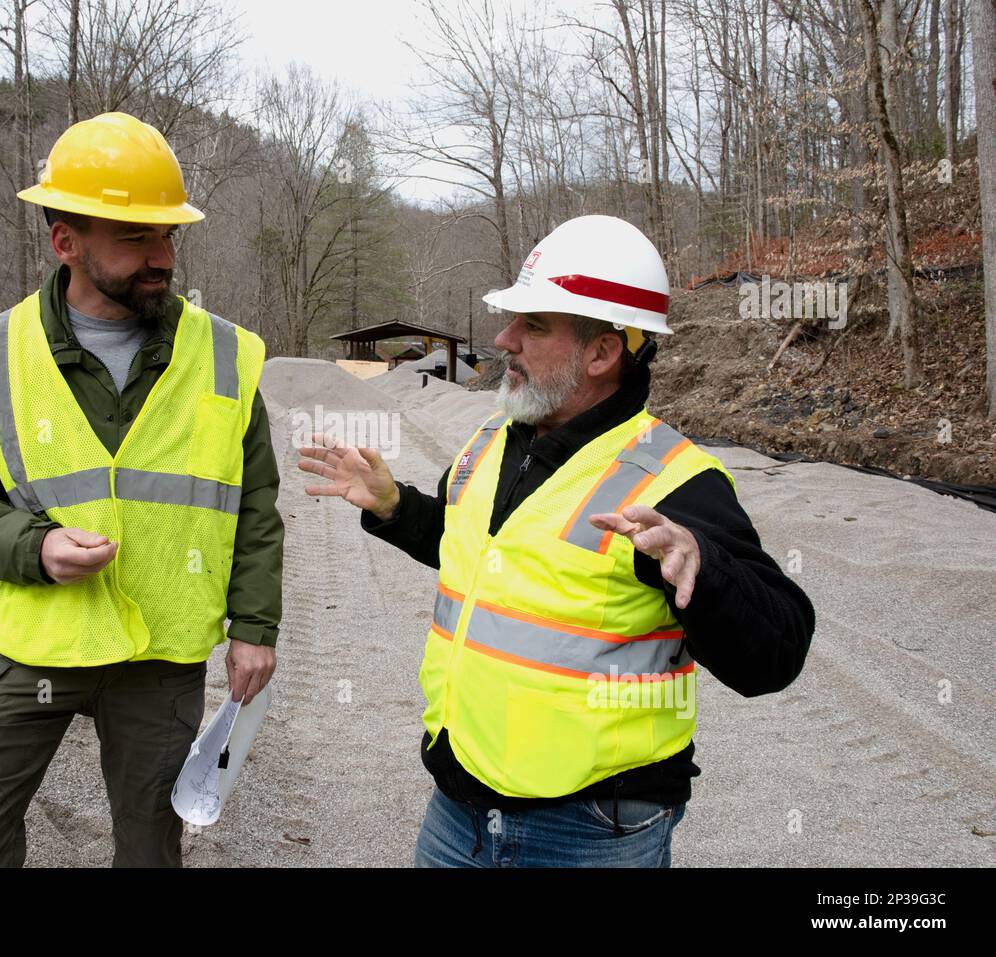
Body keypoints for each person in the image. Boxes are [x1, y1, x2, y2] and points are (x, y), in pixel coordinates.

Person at [297, 215, 814, 867]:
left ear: (601, 353)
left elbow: (777, 650)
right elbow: (481, 556)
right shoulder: (495, 439)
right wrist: (397, 507)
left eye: (533, 325)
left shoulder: (672, 481)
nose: (504, 338)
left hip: (588, 834)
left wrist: (704, 573)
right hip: (459, 812)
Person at [0, 112, 282, 867]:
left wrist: (254, 624)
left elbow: (255, 505)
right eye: (136, 237)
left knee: (149, 849)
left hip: (161, 648)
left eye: (168, 235)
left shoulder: (225, 355)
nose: (162, 256)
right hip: (32, 640)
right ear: (65, 242)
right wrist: (34, 544)